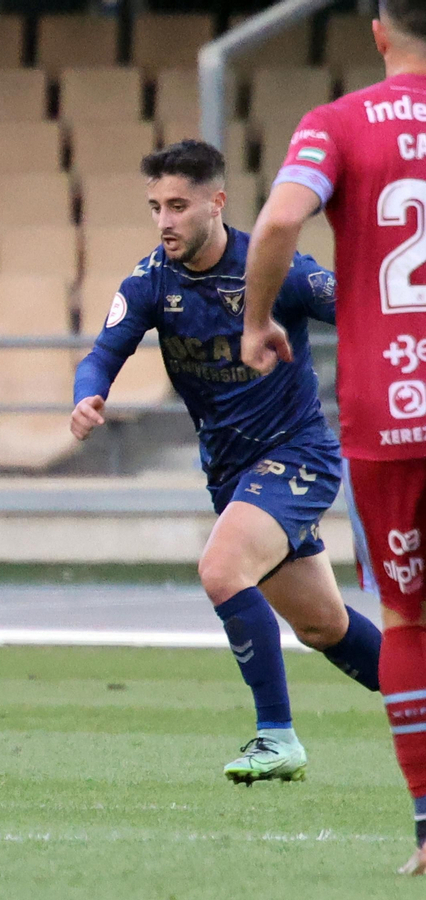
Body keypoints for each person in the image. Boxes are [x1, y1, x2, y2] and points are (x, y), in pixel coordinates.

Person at [71, 140, 382, 783]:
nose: (165, 221)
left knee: (220, 568)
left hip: (297, 454)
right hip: (232, 473)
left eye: (179, 205)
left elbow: (362, 308)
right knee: (324, 625)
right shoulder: (151, 280)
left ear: (217, 202)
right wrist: (88, 394)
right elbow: (102, 352)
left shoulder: (274, 269)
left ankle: (277, 738)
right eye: (156, 206)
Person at [240, 0, 426, 872]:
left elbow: (277, 222)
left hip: (390, 409)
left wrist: (256, 318)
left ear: (380, 31)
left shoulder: (338, 124)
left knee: (408, 618)